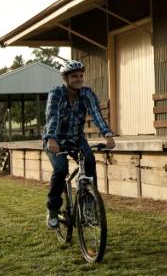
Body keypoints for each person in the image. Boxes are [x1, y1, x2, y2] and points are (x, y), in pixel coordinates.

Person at [43, 59, 116, 229]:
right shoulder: (56, 94)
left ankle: (89, 206)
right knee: (61, 169)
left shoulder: (87, 93)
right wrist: (51, 139)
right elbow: (52, 116)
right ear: (66, 79)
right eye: (74, 76)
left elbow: (96, 114)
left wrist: (108, 134)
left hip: (76, 138)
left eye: (81, 76)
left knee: (89, 161)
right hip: (55, 139)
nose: (79, 79)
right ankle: (53, 210)